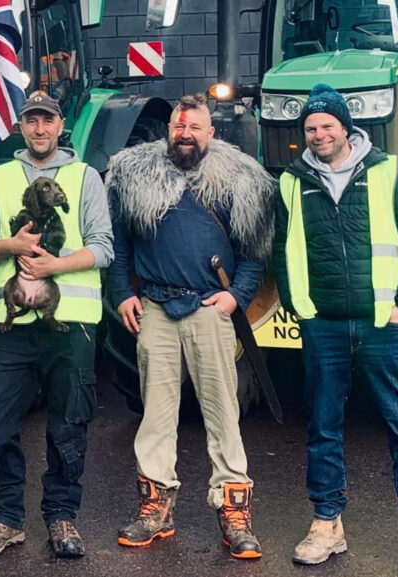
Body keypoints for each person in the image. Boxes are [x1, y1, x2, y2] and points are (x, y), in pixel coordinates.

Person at [273, 84, 398, 576]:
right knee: (323, 426)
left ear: (345, 128)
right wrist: (298, 307)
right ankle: (326, 524)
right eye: (310, 128)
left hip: (382, 323)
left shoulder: (386, 171)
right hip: (323, 324)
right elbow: (282, 249)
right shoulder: (291, 181)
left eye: (326, 126)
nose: (318, 135)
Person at [105, 93, 275, 559]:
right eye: (179, 127)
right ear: (169, 130)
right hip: (156, 309)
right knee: (156, 417)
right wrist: (121, 292)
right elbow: (119, 244)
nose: (185, 134)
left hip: (208, 310)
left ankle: (234, 513)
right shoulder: (134, 175)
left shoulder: (239, 178)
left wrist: (236, 297)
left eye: (195, 127)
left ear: (210, 132)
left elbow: (254, 250)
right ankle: (155, 510)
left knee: (222, 414)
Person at [0, 92, 113, 559]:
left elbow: (103, 247)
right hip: (10, 326)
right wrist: (9, 246)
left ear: (60, 126)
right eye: (32, 121)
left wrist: (55, 265)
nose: (40, 129)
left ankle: (62, 517)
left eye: (47, 121)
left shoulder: (85, 177)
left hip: (70, 323)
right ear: (21, 127)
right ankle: (6, 519)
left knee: (69, 425)